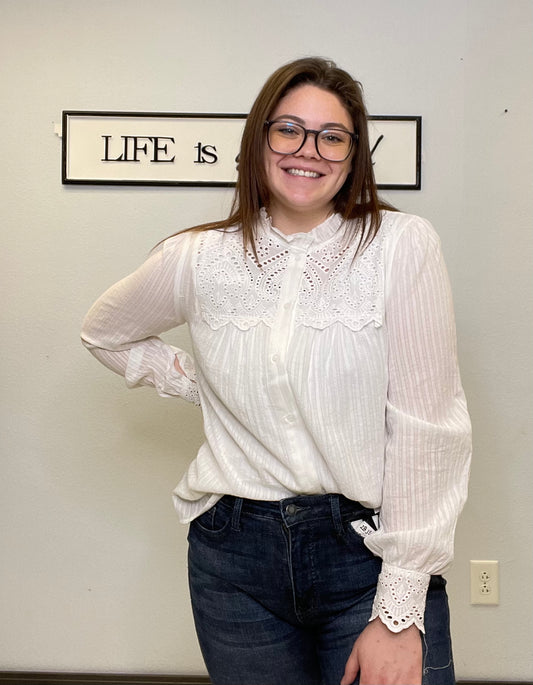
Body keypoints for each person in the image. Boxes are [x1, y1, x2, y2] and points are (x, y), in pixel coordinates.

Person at [81, 57, 472, 685]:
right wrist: (202, 385)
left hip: (365, 553)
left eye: (332, 136)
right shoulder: (199, 256)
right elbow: (103, 332)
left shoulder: (401, 245)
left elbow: (429, 429)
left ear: (352, 156)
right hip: (233, 558)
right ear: (259, 140)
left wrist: (399, 611)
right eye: (288, 129)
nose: (307, 150)